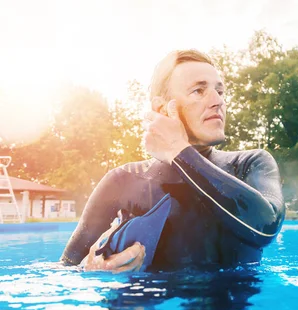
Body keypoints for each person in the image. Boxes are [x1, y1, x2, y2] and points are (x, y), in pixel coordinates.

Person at [60, 49, 285, 272]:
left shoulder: (250, 163)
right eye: (198, 91)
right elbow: (65, 268)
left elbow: (266, 228)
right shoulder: (122, 180)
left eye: (220, 91)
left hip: (234, 303)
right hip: (147, 304)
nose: (218, 101)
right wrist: (92, 269)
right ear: (162, 109)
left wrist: (179, 151)